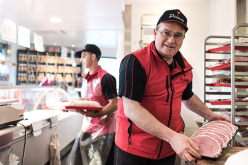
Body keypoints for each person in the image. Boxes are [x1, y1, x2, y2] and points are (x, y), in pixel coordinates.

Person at [115, 9, 230, 165]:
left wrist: (210, 115)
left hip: (168, 150)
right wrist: (173, 137)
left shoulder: (185, 67)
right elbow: (131, 109)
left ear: (183, 38)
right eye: (166, 33)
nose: (171, 40)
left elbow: (187, 96)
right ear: (155, 32)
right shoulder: (135, 62)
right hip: (135, 151)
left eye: (178, 35)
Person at [66, 44, 118, 165]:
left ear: (93, 57)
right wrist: (71, 104)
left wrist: (97, 114)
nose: (81, 60)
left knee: (103, 162)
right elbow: (87, 97)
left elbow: (114, 104)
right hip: (88, 128)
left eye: (83, 56)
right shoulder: (85, 79)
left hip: (105, 132)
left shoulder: (106, 78)